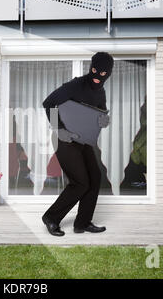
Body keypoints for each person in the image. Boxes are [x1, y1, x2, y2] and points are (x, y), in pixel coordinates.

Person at [41, 52, 114, 237]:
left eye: (104, 74)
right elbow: (49, 103)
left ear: (109, 73)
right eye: (95, 71)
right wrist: (60, 129)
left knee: (95, 177)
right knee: (80, 183)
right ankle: (51, 217)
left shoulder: (101, 92)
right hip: (64, 139)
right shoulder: (75, 85)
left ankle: (82, 223)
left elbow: (100, 115)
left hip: (84, 140)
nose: (98, 77)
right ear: (91, 67)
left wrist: (103, 121)